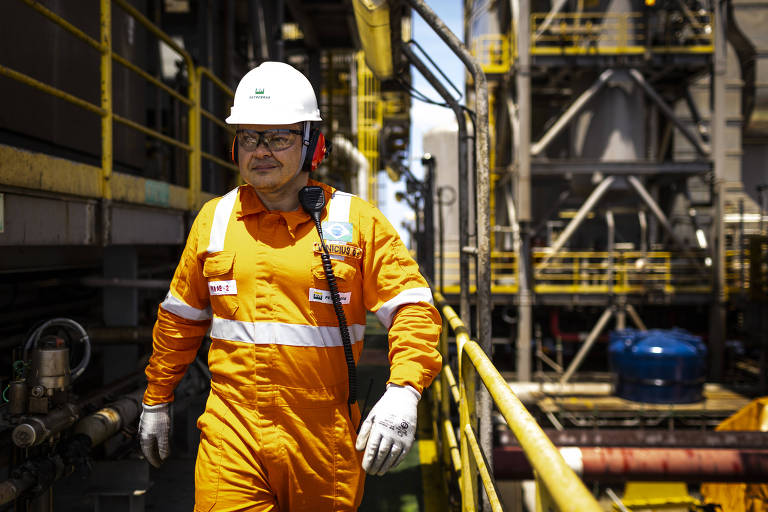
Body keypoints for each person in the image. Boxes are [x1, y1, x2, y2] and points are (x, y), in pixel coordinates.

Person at [137, 61, 442, 511]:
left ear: (312, 144)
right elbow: (179, 319)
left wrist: (403, 392)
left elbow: (411, 308)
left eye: (278, 137)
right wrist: (156, 399)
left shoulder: (355, 222)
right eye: (249, 137)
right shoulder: (214, 220)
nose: (261, 151)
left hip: (322, 440)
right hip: (231, 433)